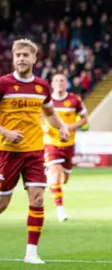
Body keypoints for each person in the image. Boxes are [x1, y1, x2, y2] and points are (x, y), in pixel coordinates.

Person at [0, 39, 69, 264]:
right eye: (17, 54)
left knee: (37, 199)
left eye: (25, 55)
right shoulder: (2, 84)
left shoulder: (42, 87)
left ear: (34, 59)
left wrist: (63, 126)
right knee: (1, 204)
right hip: (8, 151)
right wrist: (4, 131)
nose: (21, 58)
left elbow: (50, 114)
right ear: (13, 57)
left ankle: (31, 253)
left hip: (35, 151)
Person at [44, 73, 88, 222]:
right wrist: (42, 126)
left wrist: (70, 127)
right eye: (56, 80)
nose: (59, 83)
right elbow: (37, 117)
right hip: (51, 143)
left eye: (62, 80)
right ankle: (60, 209)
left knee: (65, 178)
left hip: (68, 144)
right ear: (52, 83)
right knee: (55, 173)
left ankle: (52, 181)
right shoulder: (46, 100)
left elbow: (84, 118)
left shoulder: (75, 100)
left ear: (66, 83)